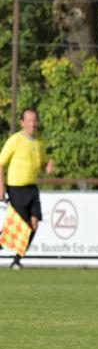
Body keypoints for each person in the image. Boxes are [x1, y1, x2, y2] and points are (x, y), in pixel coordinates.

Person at [0, 109, 54, 269]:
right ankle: (12, 254)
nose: (33, 123)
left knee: (34, 224)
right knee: (21, 225)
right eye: (29, 120)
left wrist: (48, 167)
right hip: (16, 187)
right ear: (22, 122)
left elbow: (43, 164)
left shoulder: (39, 143)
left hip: (32, 187)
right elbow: (1, 163)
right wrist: (1, 187)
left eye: (35, 120)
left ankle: (17, 259)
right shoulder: (15, 140)